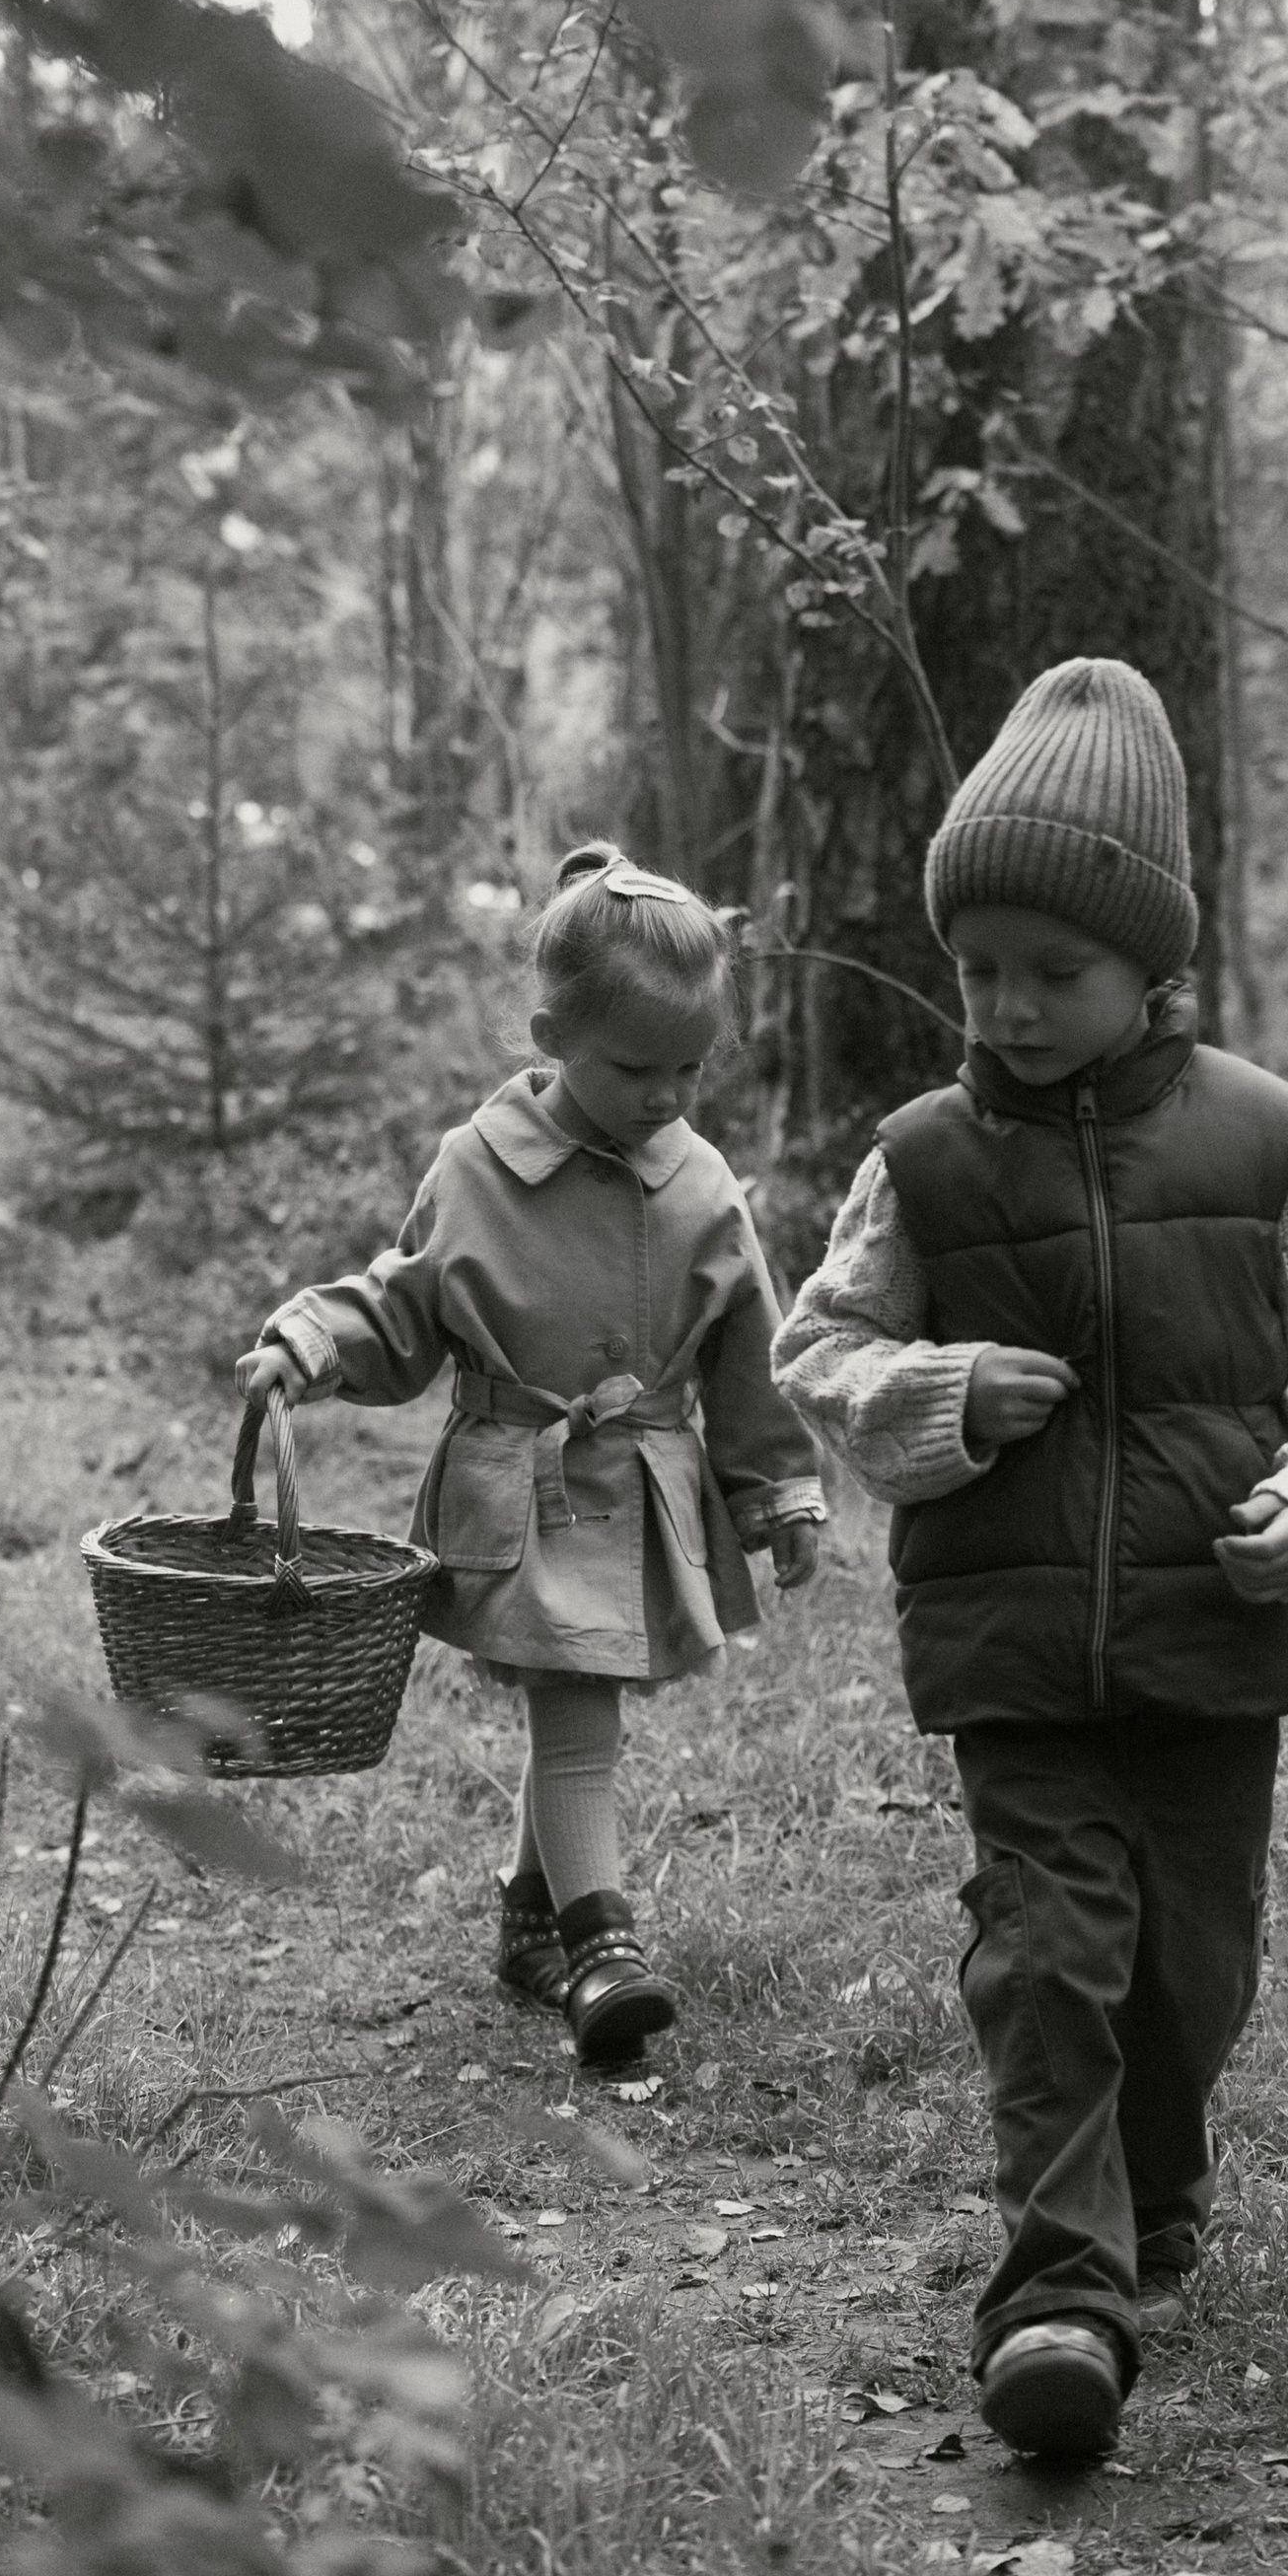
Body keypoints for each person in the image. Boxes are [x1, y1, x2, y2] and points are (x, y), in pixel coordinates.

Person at [773, 660, 1288, 2461]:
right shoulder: (924, 1163)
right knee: (1049, 1953)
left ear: (1151, 969)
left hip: (1220, 1636)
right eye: (983, 969)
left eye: (1057, 971)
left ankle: (1150, 2189)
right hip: (1017, 1653)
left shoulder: (1268, 1141)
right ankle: (1059, 2293)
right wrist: (945, 1394)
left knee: (1191, 1972)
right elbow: (819, 1354)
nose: (1016, 1004)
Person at [237, 844, 824, 2068]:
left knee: (580, 1703)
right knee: (578, 1710)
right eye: (634, 1067)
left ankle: (525, 1914)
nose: (665, 1095)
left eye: (688, 1068)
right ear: (552, 1033)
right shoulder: (475, 1167)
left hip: (643, 1487)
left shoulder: (704, 1184)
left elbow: (744, 1350)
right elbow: (401, 1314)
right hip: (523, 1482)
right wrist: (311, 1340)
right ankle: (601, 1941)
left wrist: (777, 1489)